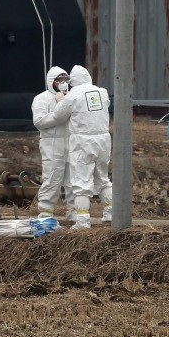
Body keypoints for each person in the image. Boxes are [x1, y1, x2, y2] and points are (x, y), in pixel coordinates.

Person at [50, 65, 112, 230]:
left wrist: (60, 100)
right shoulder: (102, 92)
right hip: (103, 140)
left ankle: (83, 221)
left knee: (81, 182)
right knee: (103, 178)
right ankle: (111, 212)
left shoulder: (73, 94)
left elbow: (58, 115)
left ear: (73, 80)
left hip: (82, 141)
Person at [31, 66, 72, 220]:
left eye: (66, 79)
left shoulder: (72, 97)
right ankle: (46, 211)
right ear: (51, 81)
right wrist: (58, 115)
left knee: (73, 179)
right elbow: (39, 121)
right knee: (52, 177)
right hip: (52, 143)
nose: (63, 82)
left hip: (72, 141)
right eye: (59, 79)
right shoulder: (41, 98)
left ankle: (75, 211)